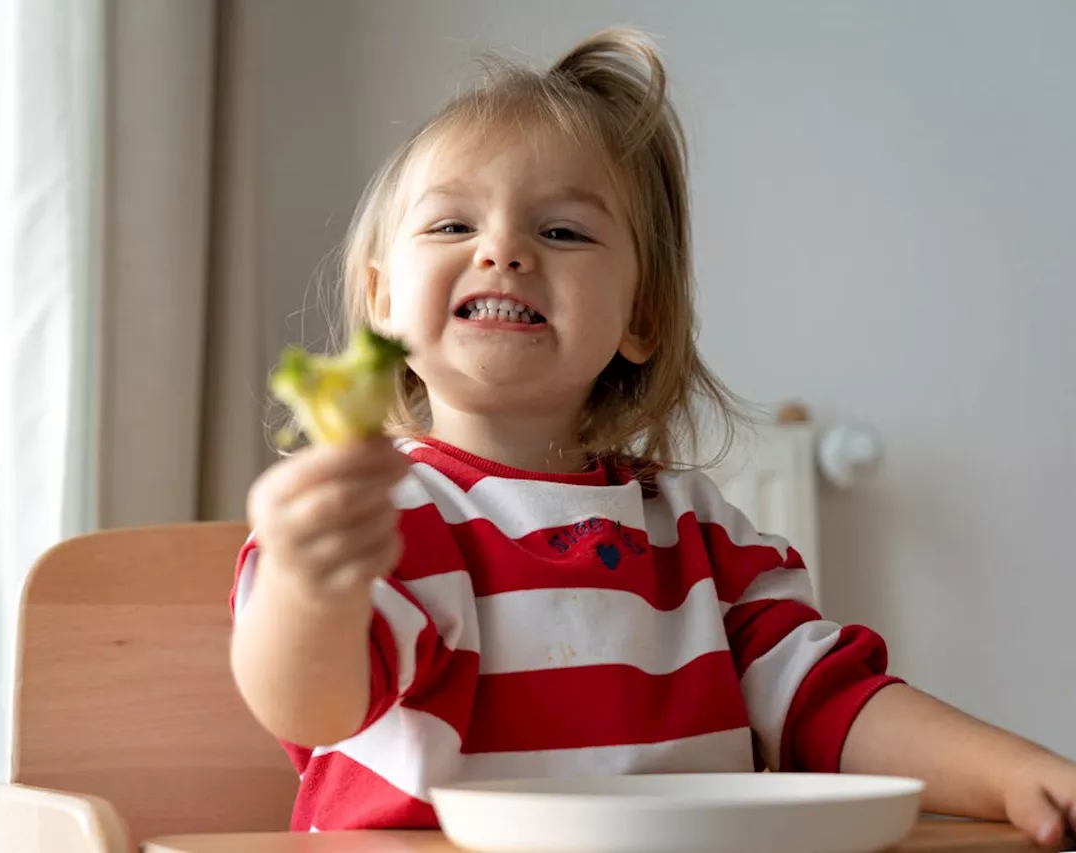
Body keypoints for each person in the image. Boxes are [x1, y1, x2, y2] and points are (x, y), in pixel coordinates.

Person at [229, 26, 1076, 844]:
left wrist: (1012, 771)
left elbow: (829, 701)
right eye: (453, 225)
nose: (503, 251)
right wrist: (309, 587)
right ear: (381, 300)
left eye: (561, 230)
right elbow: (310, 707)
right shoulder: (385, 516)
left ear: (642, 317)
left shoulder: (702, 538)